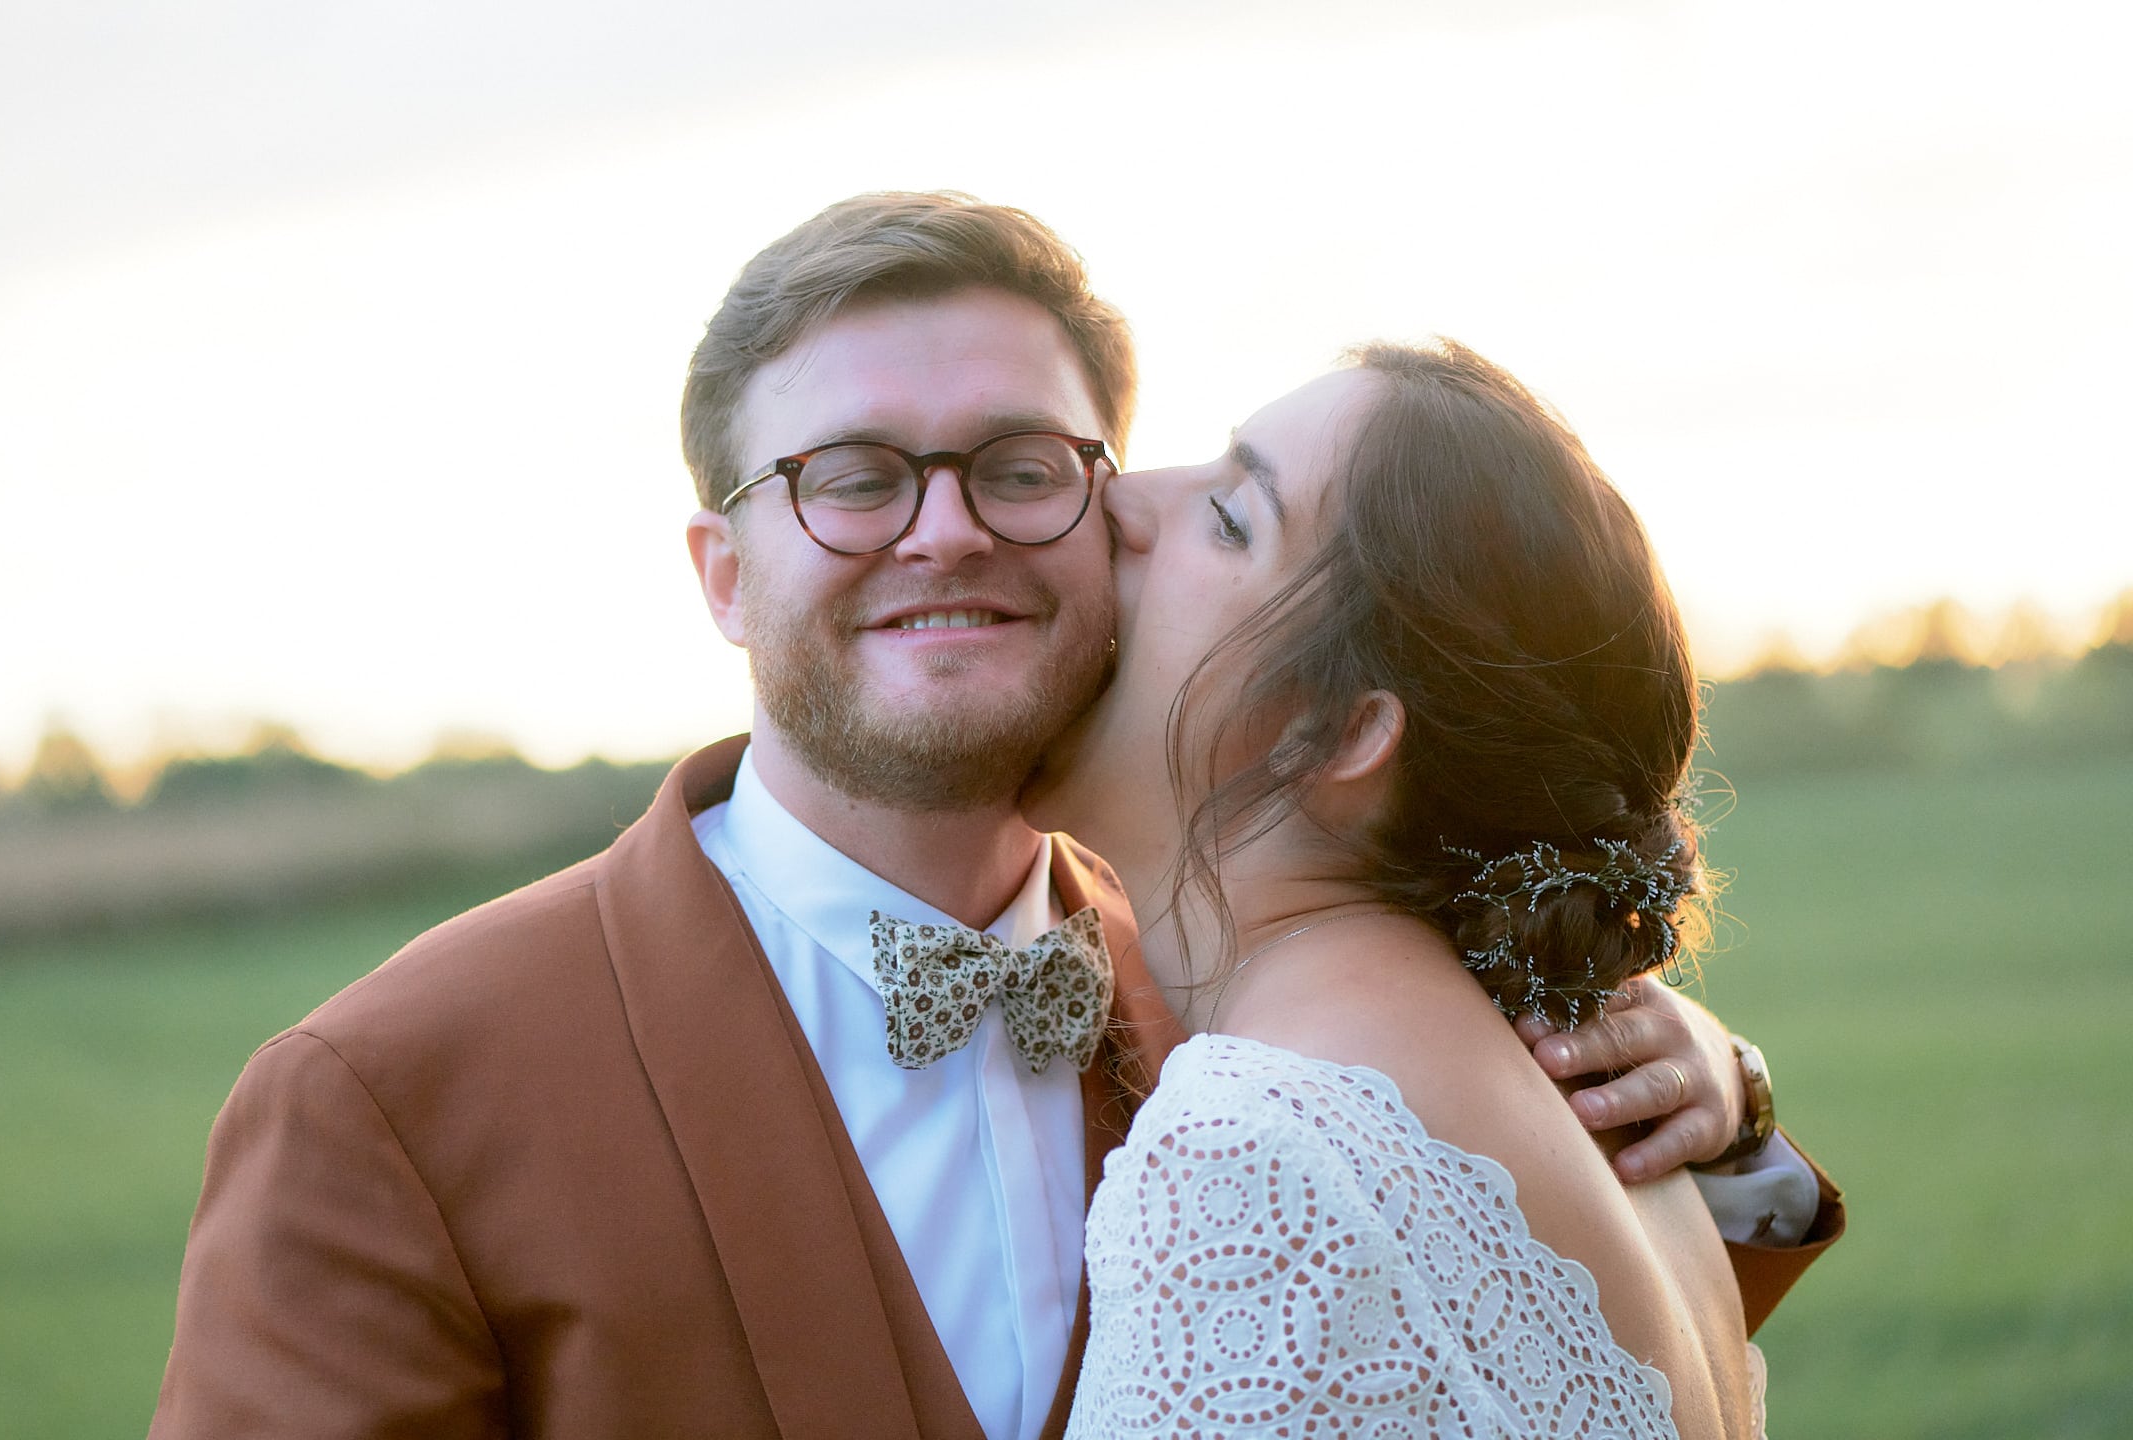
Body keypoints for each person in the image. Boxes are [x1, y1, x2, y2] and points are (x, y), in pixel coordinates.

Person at [149, 195, 1838, 1440]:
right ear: (724, 575)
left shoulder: (1283, 1029)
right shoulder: (387, 1099)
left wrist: (1704, 1105)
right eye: (853, 478)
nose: (945, 531)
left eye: (1022, 467)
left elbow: (1515, 1346)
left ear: (1097, 509)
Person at [1027, 341, 1806, 1436]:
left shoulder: (1256, 1154)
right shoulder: (1591, 1135)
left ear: (1338, 735)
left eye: (1231, 517)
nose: (1124, 496)